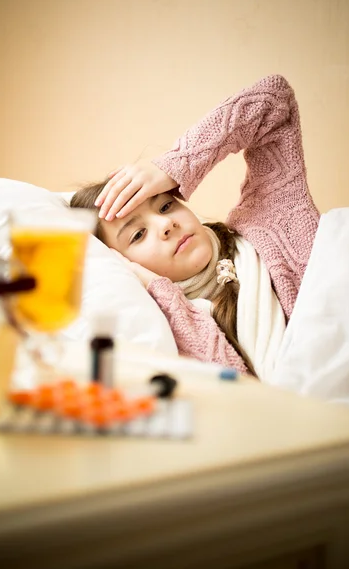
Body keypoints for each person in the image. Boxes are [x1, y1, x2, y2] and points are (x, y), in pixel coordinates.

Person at [71, 75, 320, 380]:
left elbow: (274, 101)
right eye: (138, 234)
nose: (165, 224)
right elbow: (234, 391)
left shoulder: (268, 223)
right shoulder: (159, 327)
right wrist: (161, 292)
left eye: (165, 205)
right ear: (120, 263)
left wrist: (174, 165)